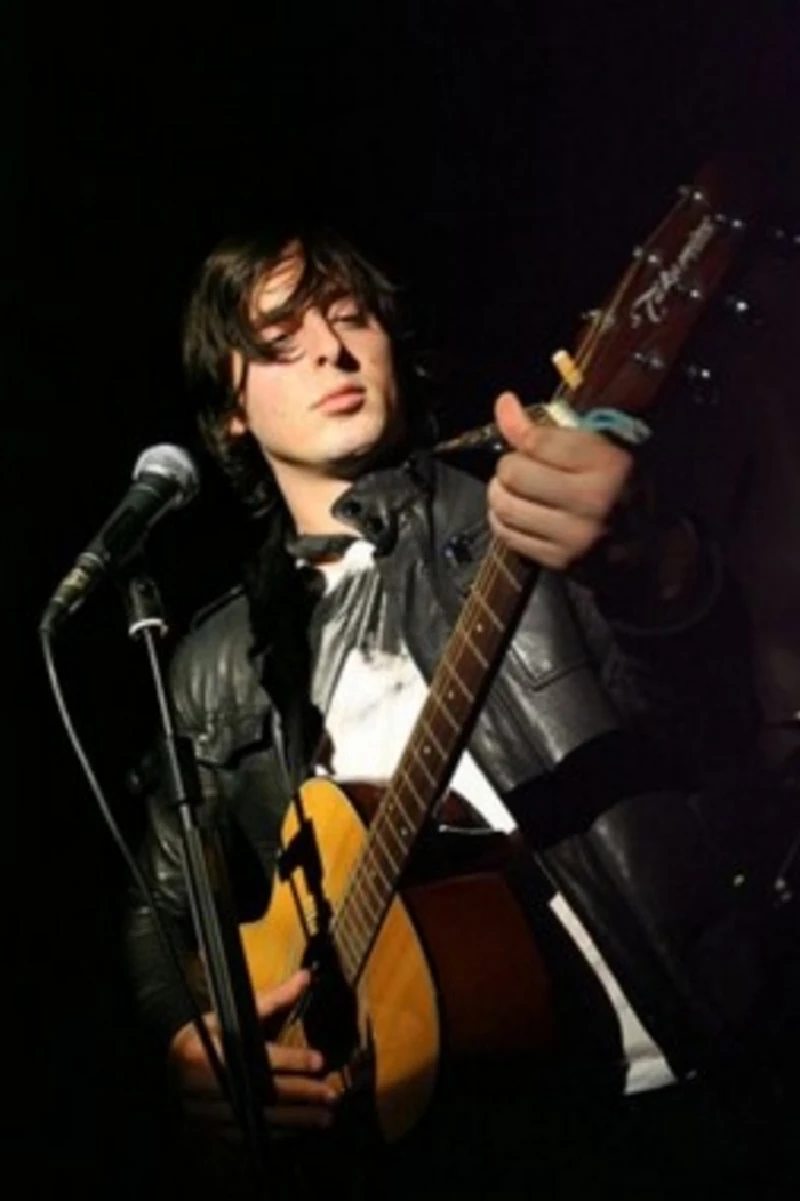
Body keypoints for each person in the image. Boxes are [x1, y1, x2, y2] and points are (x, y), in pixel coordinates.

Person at [124, 224, 797, 1198]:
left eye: (352, 319)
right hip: (440, 1143)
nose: (332, 350)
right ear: (229, 410)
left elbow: (709, 720)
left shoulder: (518, 517)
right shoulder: (213, 662)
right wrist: (192, 1032)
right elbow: (157, 902)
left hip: (675, 1089)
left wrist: (649, 568)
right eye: (280, 339)